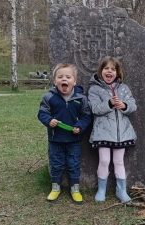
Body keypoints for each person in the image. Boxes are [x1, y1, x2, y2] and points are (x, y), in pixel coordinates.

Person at [37, 63, 92, 204]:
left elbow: (87, 116)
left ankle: (75, 189)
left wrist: (80, 126)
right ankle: (55, 187)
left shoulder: (81, 98)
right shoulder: (49, 97)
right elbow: (42, 113)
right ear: (55, 81)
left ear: (74, 81)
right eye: (60, 77)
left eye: (68, 77)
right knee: (56, 164)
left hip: (74, 140)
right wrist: (49, 121)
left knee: (73, 164)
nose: (64, 79)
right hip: (55, 140)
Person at [88, 56, 137, 203]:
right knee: (103, 160)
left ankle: (121, 190)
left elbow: (133, 105)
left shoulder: (124, 88)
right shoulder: (94, 89)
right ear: (101, 71)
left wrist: (125, 106)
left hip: (121, 133)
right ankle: (101, 190)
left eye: (113, 69)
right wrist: (109, 103)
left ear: (117, 72)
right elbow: (95, 108)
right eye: (106, 68)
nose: (109, 71)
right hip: (103, 132)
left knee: (119, 161)